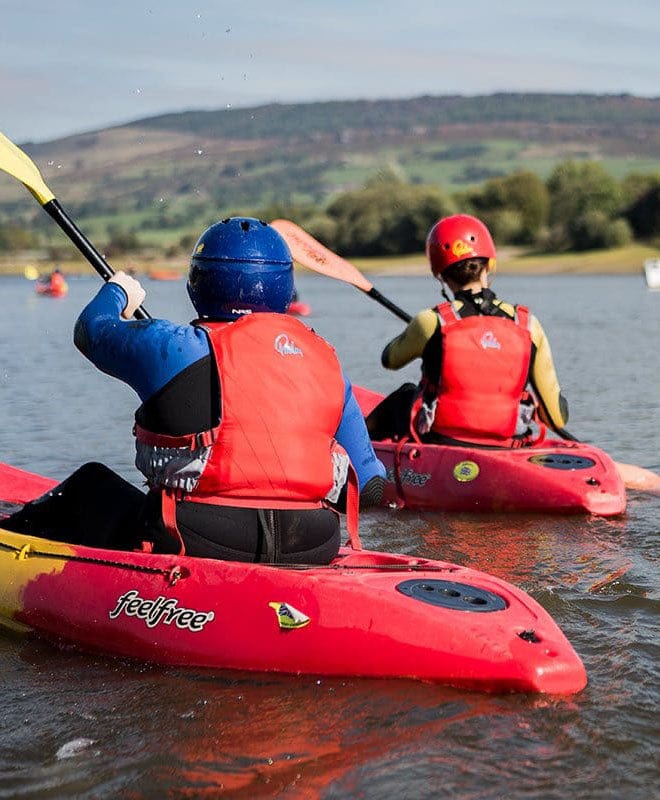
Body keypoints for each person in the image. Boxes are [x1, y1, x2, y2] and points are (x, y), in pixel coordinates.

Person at [5, 217, 385, 563]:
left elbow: (91, 329)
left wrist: (118, 291)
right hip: (313, 543)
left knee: (90, 486)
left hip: (199, 537)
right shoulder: (326, 361)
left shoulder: (171, 347)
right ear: (284, 286)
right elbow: (370, 489)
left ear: (197, 283)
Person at [366, 214, 568, 447]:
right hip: (508, 442)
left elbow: (390, 359)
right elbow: (556, 418)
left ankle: (359, 454)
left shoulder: (431, 321)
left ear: (440, 274)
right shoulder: (528, 325)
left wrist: (420, 334)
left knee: (404, 395)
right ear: (489, 264)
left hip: (442, 440)